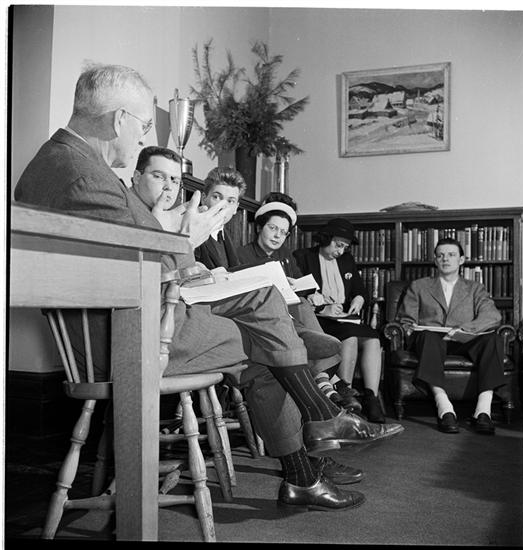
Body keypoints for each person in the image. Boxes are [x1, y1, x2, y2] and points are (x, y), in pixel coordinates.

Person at [15, 64, 403, 512]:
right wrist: (186, 238)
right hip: (128, 339)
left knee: (267, 321)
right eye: (144, 126)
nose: (141, 138)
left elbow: (126, 256)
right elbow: (141, 268)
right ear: (120, 119)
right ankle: (317, 425)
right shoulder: (84, 176)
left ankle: (311, 443)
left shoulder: (64, 164)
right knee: (268, 340)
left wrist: (178, 239)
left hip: (132, 322)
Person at [195, 171, 343, 377]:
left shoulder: (225, 235)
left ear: (236, 208)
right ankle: (302, 343)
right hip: (212, 307)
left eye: (230, 201)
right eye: (216, 197)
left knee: (294, 302)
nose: (222, 206)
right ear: (203, 198)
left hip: (236, 303)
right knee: (271, 300)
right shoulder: (195, 231)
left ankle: (319, 373)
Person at [238, 192, 361, 412]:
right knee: (302, 306)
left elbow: (300, 283)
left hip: (289, 314)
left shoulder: (285, 255)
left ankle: (325, 381)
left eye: (283, 232)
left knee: (304, 302)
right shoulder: (242, 254)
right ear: (259, 227)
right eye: (273, 228)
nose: (277, 236)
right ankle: (329, 381)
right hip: (262, 318)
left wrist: (312, 293)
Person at [396, 237, 506, 435]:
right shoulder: (419, 286)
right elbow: (406, 321)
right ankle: (444, 408)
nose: (445, 259)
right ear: (435, 260)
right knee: (428, 337)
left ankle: (483, 411)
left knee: (493, 339)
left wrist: (464, 329)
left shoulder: (475, 288)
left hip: (465, 339)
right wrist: (412, 329)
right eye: (440, 255)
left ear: (461, 260)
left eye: (451, 255)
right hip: (431, 340)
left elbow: (492, 316)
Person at [294, 218, 386, 423]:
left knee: (373, 338)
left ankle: (371, 397)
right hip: (317, 319)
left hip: (343, 318)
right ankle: (346, 395)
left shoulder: (346, 260)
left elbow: (360, 290)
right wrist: (322, 307)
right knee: (350, 337)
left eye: (345, 246)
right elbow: (298, 293)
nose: (341, 251)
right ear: (326, 238)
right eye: (338, 245)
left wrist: (359, 299)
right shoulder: (304, 257)